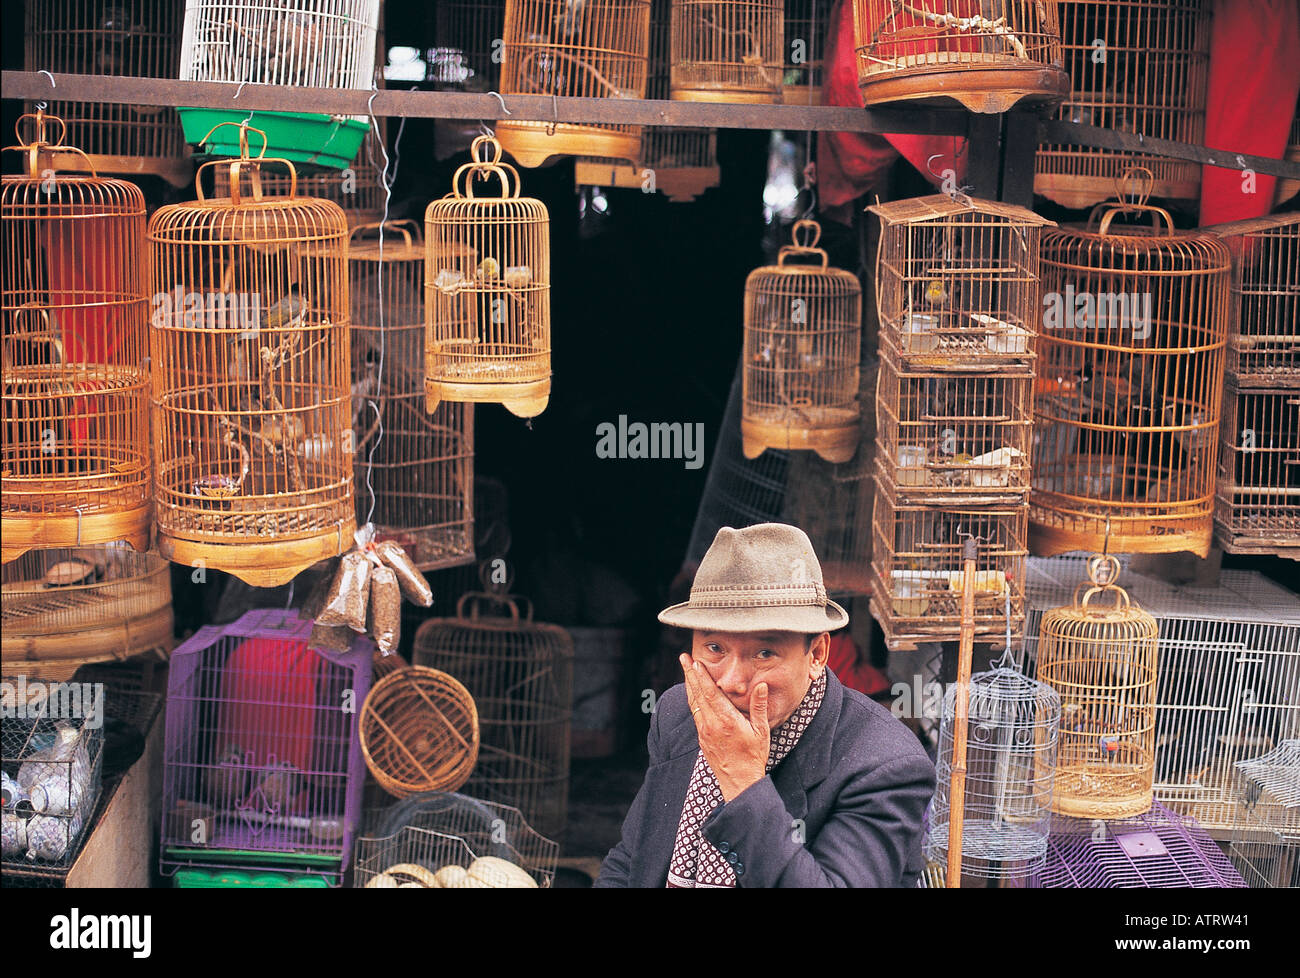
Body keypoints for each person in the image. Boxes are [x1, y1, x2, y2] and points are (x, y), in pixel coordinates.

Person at [595, 523, 935, 888]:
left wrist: (742, 780)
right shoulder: (680, 712)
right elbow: (631, 860)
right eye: (714, 649)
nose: (731, 682)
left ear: (818, 654)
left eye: (764, 653)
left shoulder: (884, 764)